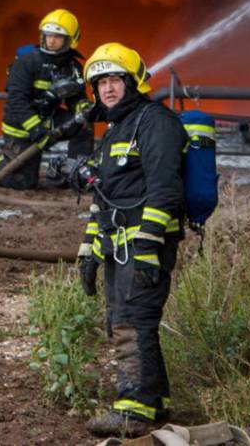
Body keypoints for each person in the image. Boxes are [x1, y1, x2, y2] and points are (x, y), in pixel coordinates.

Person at [70, 42, 187, 438]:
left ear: (133, 82)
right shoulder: (116, 129)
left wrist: (148, 247)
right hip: (118, 248)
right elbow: (103, 199)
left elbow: (165, 190)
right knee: (124, 321)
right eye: (100, 82)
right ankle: (155, 401)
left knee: (133, 322)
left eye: (115, 79)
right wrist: (89, 250)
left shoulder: (155, 123)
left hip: (142, 247)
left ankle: (134, 411)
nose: (107, 88)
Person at [0, 9, 93, 189]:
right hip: (21, 125)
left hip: (48, 119)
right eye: (48, 35)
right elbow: (16, 101)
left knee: (83, 124)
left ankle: (75, 172)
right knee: (23, 182)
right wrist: (36, 129)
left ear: (70, 40)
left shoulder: (72, 67)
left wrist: (82, 107)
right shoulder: (27, 62)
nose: (51, 40)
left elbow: (75, 98)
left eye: (58, 37)